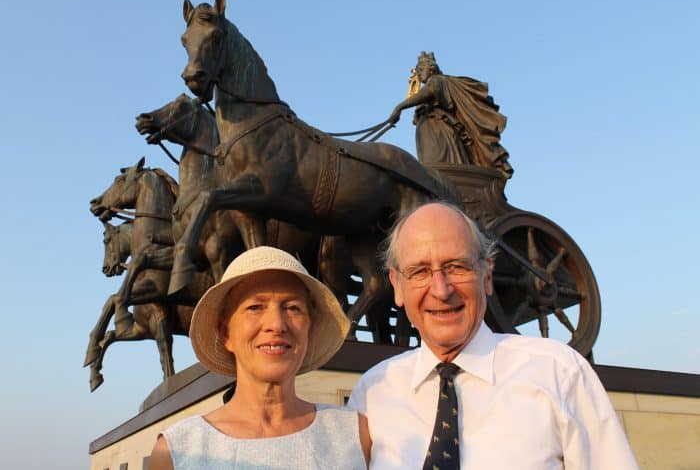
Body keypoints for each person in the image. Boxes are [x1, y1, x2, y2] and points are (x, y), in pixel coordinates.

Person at [347, 202, 638, 469]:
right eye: (420, 271)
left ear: (487, 276)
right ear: (397, 286)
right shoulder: (373, 392)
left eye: (456, 267)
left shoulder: (559, 373)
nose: (441, 289)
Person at [149, 246, 370, 469]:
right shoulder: (177, 451)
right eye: (255, 307)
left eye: (293, 308)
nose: (276, 324)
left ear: (309, 330)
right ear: (226, 334)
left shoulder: (356, 436)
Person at [389, 52, 513, 180]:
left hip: (439, 130)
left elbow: (428, 92)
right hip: (432, 129)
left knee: (437, 165)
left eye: (421, 69)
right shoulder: (432, 85)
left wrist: (400, 107)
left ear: (432, 69)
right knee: (430, 167)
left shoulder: (437, 80)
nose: (419, 74)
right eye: (417, 71)